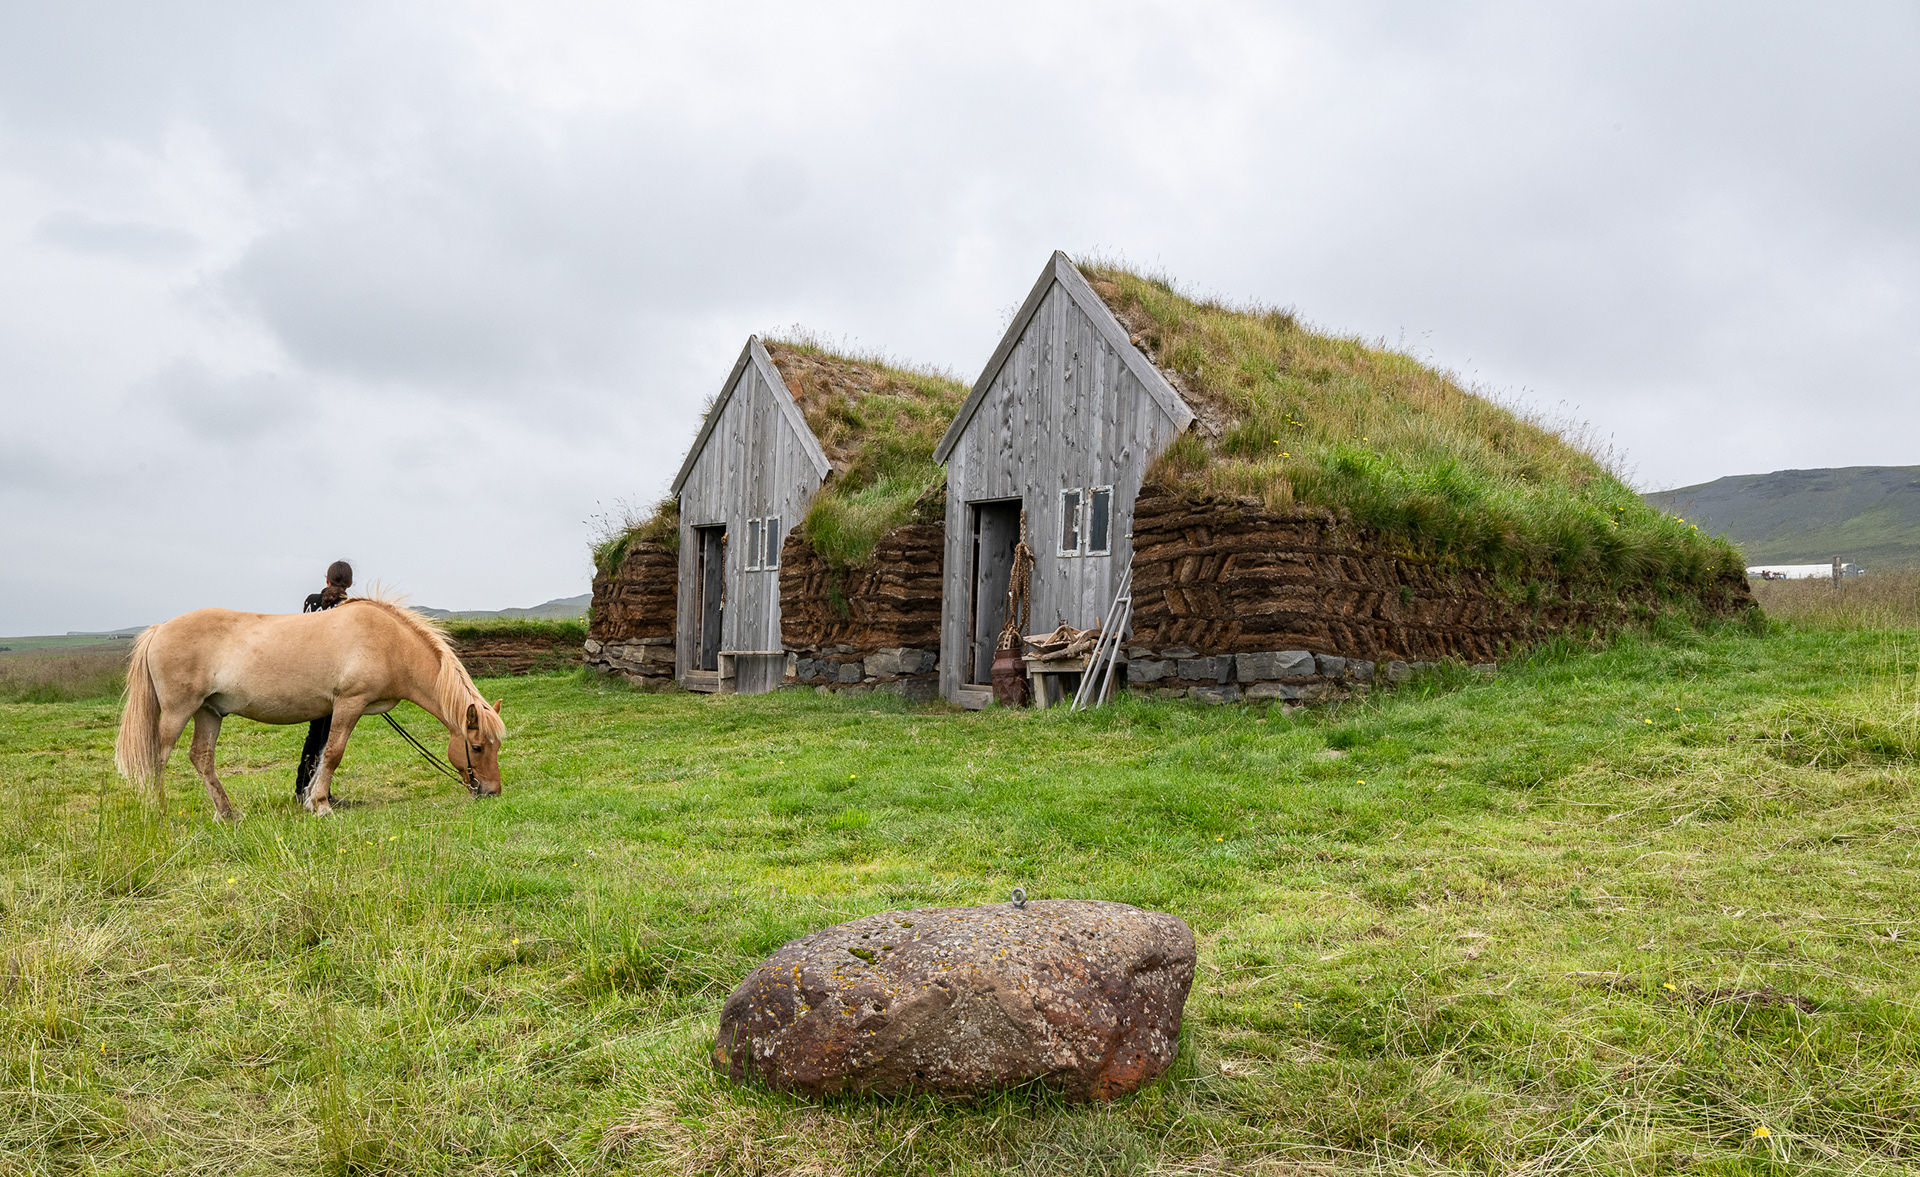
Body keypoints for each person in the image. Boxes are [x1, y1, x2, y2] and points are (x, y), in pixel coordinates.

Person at [296, 560, 353, 799]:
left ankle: (302, 786)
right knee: (329, 736)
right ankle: (319, 790)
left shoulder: (311, 601)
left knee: (314, 733)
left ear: (326, 580)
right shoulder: (351, 608)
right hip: (335, 679)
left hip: (311, 676)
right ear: (350, 583)